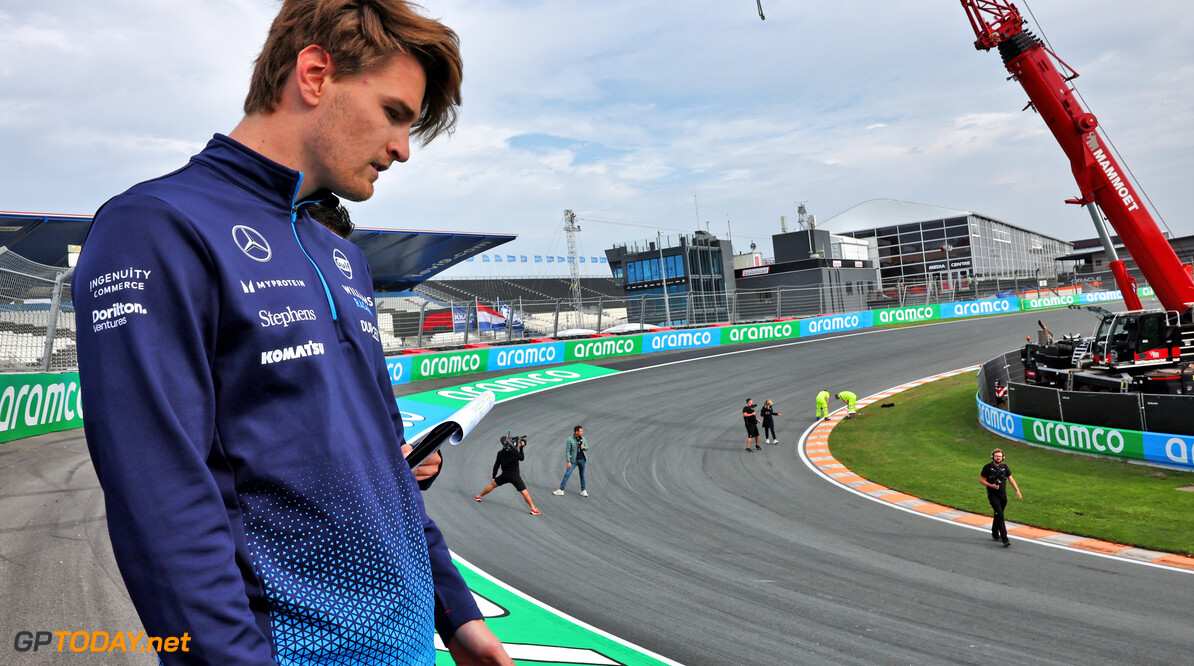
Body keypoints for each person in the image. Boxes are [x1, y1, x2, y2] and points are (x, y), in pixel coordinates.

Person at [72, 1, 510, 663]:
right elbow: (163, 506)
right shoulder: (154, 228)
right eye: (394, 113)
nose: (401, 149)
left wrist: (456, 613)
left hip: (409, 644)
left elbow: (386, 458)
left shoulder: (341, 253)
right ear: (314, 75)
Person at [475, 436, 540, 515]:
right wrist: (521, 448)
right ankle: (533, 509)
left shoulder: (500, 453)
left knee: (492, 485)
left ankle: (479, 496)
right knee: (525, 492)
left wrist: (493, 477)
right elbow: (522, 458)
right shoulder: (514, 451)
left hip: (504, 475)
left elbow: (496, 466)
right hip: (515, 477)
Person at [980, 448, 1022, 547]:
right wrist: (992, 486)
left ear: (1002, 457)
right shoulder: (987, 467)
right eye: (996, 456)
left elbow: (1011, 478)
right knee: (1001, 516)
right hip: (993, 495)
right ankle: (1005, 539)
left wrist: (1017, 490)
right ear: (993, 457)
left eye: (1000, 456)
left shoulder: (1005, 467)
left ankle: (995, 532)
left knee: (998, 514)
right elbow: (981, 480)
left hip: (1003, 496)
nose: (998, 458)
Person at [553, 425, 590, 496]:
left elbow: (587, 447)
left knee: (582, 475)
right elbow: (567, 451)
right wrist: (568, 461)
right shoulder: (570, 440)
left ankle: (583, 490)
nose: (582, 432)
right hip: (574, 460)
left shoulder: (583, 439)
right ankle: (561, 489)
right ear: (576, 432)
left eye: (582, 431)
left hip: (582, 460)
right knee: (567, 474)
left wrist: (584, 447)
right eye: (581, 431)